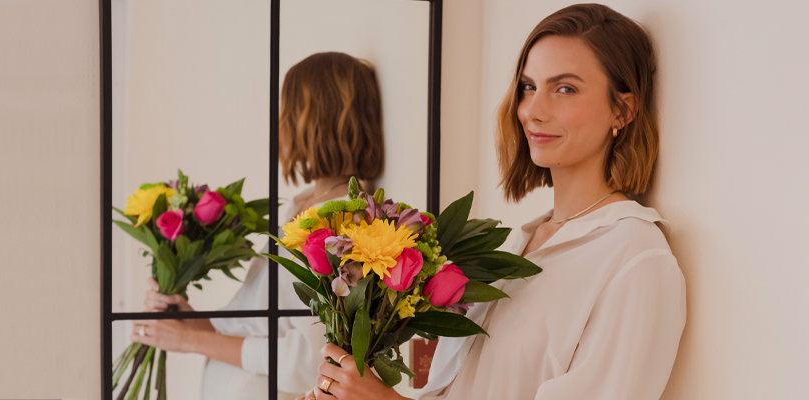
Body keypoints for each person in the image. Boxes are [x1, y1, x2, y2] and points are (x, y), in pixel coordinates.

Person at [298, 4, 686, 400]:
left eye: (565, 89)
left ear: (623, 109)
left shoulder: (635, 260)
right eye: (528, 87)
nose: (532, 111)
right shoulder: (519, 244)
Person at [130, 52, 385, 400]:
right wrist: (189, 320)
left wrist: (190, 340)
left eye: (289, 109)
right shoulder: (302, 207)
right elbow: (262, 323)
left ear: (313, 120)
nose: (281, 122)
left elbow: (308, 358)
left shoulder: (340, 223)